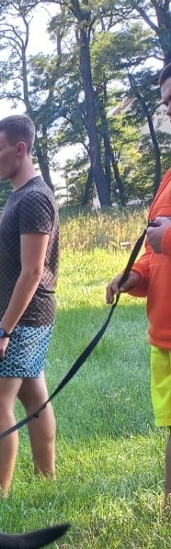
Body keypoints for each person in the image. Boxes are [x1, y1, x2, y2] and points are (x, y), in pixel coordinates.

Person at [0, 115, 60, 497]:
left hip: (27, 318)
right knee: (33, 394)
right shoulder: (22, 195)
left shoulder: (33, 198)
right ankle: (47, 478)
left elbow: (32, 272)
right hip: (20, 316)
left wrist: (4, 331)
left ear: (21, 149)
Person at [106, 61, 171, 515]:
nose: (168, 115)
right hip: (164, 335)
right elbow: (155, 251)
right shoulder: (168, 176)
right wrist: (137, 275)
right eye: (167, 106)